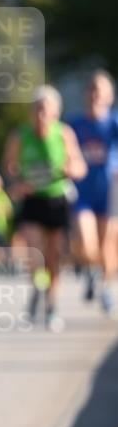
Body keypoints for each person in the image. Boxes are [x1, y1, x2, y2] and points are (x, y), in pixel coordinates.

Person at [3, 86, 87, 332]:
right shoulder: (21, 135)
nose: (41, 116)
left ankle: (51, 304)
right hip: (33, 201)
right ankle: (36, 288)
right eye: (37, 110)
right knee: (34, 250)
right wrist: (18, 183)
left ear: (56, 113)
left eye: (46, 111)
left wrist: (71, 170)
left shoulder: (64, 134)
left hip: (57, 199)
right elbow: (9, 166)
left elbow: (79, 166)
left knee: (53, 256)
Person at [67, 71, 118, 315]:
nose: (96, 94)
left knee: (108, 244)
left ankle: (106, 287)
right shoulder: (75, 125)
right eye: (92, 89)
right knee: (87, 242)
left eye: (101, 89)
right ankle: (92, 271)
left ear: (109, 95)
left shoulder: (114, 123)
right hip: (84, 192)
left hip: (110, 191)